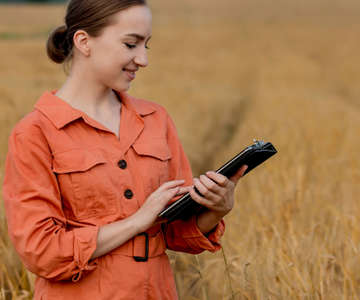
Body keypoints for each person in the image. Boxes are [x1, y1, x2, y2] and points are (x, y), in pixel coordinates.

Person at [2, 1, 247, 299]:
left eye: (146, 45)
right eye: (131, 44)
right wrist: (135, 222)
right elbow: (41, 251)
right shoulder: (36, 133)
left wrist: (217, 208)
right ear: (83, 42)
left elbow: (176, 232)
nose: (142, 59)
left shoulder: (156, 120)